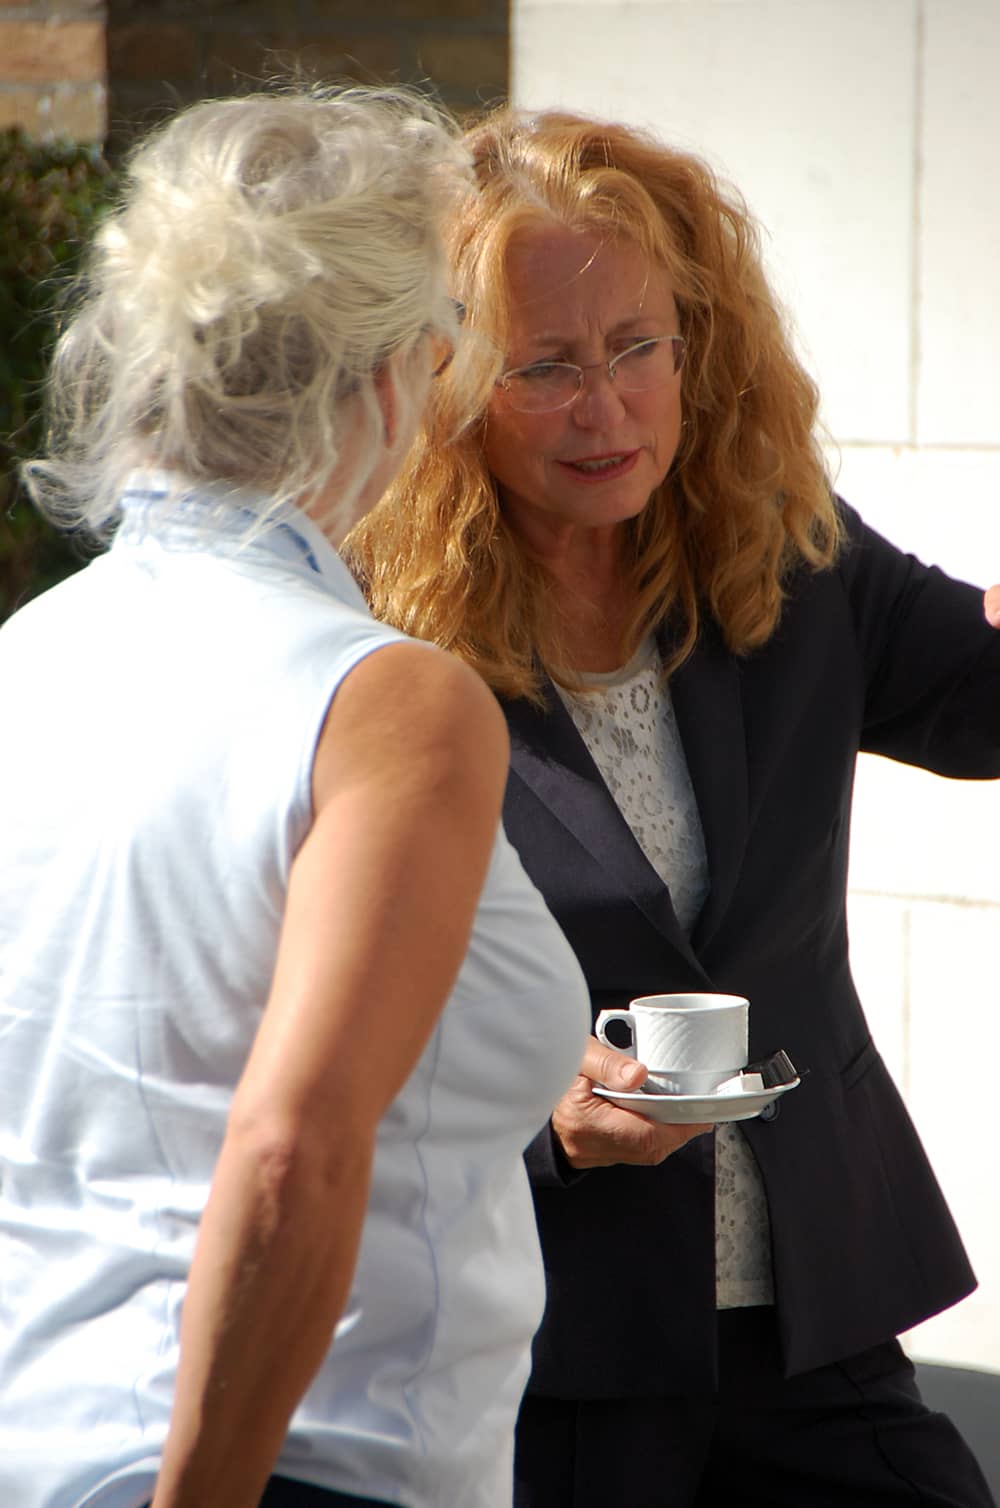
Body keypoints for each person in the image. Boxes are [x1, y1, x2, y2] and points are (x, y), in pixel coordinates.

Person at [346, 106, 1000, 1507]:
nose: (609, 407)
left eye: (640, 348)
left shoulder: (787, 557)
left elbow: (982, 691)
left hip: (813, 1318)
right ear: (446, 378)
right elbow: (290, 1012)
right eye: (547, 368)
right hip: (541, 1348)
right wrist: (545, 1124)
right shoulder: (376, 647)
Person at [0, 88, 591, 1508]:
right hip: (290, 1464)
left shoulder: (28, 657)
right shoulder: (386, 700)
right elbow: (287, 1148)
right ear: (389, 380)